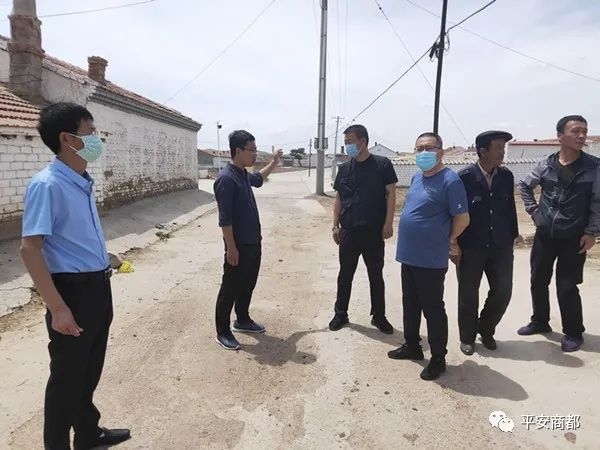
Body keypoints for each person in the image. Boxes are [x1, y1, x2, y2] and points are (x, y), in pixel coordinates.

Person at [20, 102, 130, 450]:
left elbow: (72, 236)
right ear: (67, 139)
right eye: (90, 132)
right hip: (72, 294)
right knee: (67, 380)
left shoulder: (81, 181)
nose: (97, 139)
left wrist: (104, 258)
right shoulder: (47, 184)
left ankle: (87, 434)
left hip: (97, 287)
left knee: (88, 371)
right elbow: (30, 249)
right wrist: (58, 308)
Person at [388, 132, 470, 380]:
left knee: (433, 309)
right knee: (410, 304)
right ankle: (412, 345)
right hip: (408, 255)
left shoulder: (450, 181)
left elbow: (462, 218)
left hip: (431, 258)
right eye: (419, 148)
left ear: (440, 152)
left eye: (429, 148)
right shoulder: (416, 178)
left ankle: (438, 358)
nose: (423, 153)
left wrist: (449, 239)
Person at [518, 115, 600, 352]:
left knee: (567, 286)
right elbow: (525, 186)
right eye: (576, 131)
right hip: (545, 235)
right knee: (538, 280)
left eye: (584, 131)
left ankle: (573, 332)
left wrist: (591, 232)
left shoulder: (594, 167)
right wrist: (534, 212)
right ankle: (540, 321)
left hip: (574, 237)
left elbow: (598, 201)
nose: (582, 136)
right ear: (560, 136)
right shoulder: (546, 164)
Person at [213, 130, 283, 350]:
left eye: (255, 149)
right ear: (238, 150)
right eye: (251, 150)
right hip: (238, 245)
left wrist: (274, 162)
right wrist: (231, 248)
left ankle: (242, 319)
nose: (255, 154)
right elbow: (225, 220)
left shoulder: (242, 173)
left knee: (247, 284)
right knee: (230, 287)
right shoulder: (226, 179)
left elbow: (259, 179)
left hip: (253, 242)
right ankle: (223, 331)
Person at [329, 124, 398, 334]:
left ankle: (379, 316)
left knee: (375, 275)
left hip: (373, 231)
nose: (347, 146)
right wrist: (335, 225)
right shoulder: (344, 169)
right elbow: (339, 198)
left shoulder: (382, 164)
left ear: (363, 141)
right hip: (349, 230)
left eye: (350, 141)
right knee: (345, 274)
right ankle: (341, 313)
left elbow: (391, 194)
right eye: (345, 142)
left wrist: (388, 223)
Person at [456, 130, 518, 355]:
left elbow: (510, 208)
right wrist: (453, 243)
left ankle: (486, 328)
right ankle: (467, 337)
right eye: (498, 148)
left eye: (504, 148)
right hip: (471, 246)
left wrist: (512, 236)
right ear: (483, 151)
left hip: (501, 245)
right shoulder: (464, 178)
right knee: (468, 294)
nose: (503, 153)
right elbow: (455, 213)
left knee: (503, 291)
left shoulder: (506, 176)